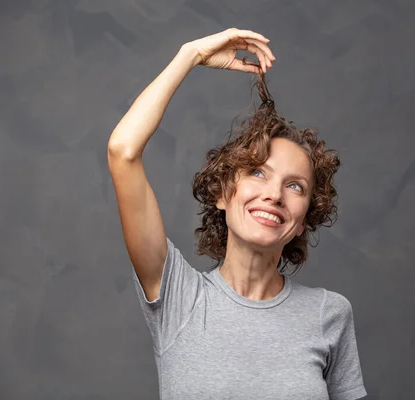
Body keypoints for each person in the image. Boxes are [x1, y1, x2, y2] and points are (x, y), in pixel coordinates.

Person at [107, 28, 367, 400]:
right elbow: (123, 151)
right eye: (258, 173)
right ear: (222, 195)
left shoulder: (329, 313)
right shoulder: (178, 297)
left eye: (295, 186)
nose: (274, 194)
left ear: (304, 219)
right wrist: (190, 54)